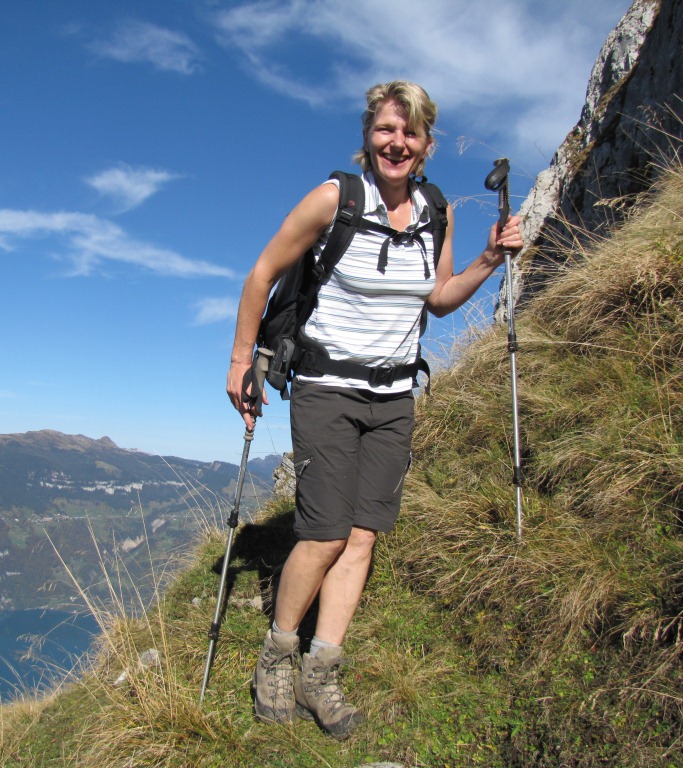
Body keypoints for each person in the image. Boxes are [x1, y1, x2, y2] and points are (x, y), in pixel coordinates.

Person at [225, 81, 524, 739]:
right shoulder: (335, 199)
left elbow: (438, 299)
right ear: (367, 135)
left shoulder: (436, 211)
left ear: (427, 144)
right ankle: (278, 653)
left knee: (363, 535)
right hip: (327, 388)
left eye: (410, 133)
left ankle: (321, 670)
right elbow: (261, 274)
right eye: (386, 129)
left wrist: (490, 258)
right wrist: (241, 360)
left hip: (394, 397)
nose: (397, 142)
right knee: (326, 533)